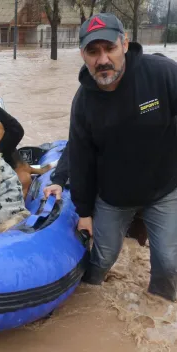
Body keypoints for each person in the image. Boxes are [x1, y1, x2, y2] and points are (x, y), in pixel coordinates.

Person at [68, 13, 177, 301]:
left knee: (168, 263)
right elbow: (80, 160)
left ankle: (158, 308)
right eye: (93, 51)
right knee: (101, 260)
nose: (102, 59)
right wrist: (83, 213)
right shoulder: (83, 103)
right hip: (113, 198)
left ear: (125, 44)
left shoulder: (162, 74)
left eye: (109, 48)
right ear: (83, 55)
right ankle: (91, 305)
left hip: (163, 190)